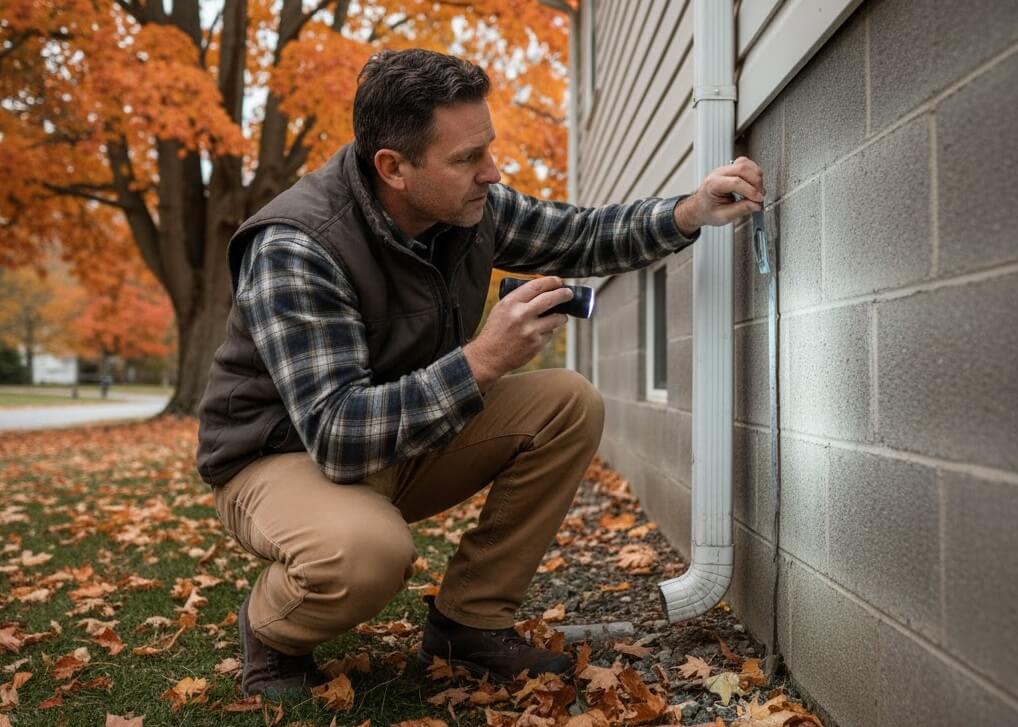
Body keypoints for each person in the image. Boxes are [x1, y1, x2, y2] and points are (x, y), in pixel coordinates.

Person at [195, 48, 764, 697]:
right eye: (467, 158)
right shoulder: (301, 247)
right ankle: (271, 631)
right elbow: (337, 434)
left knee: (568, 402)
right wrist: (484, 358)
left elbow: (580, 235)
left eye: (487, 148)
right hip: (279, 456)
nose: (491, 171)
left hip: (397, 434)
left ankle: (468, 622)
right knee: (366, 553)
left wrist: (691, 211)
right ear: (394, 168)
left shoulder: (468, 208)